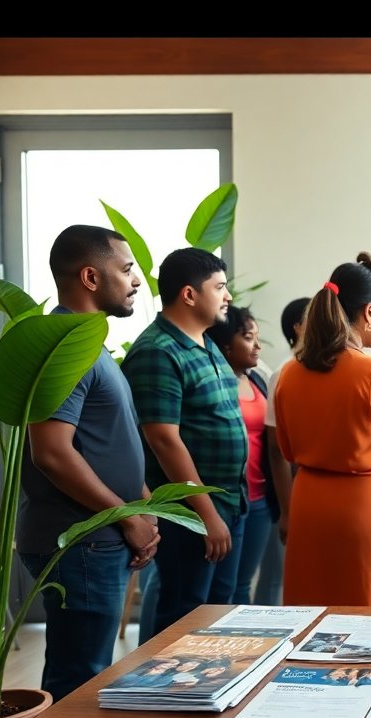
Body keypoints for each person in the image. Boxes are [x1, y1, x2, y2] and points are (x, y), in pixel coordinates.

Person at [16, 224, 159, 702]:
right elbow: (52, 452)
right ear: (91, 278)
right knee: (80, 681)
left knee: (83, 671)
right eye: (126, 269)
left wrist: (139, 510)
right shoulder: (66, 349)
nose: (136, 280)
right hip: (80, 541)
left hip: (95, 537)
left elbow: (102, 442)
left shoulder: (87, 342)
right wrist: (124, 516)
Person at [273, 252, 371, 606]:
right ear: (369, 312)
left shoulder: (289, 373)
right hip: (369, 515)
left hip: (311, 511)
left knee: (317, 621)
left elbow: (288, 449)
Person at [122, 248, 246, 643]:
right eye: (220, 287)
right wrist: (205, 514)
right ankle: (168, 702)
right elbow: (163, 439)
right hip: (190, 514)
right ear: (189, 295)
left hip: (227, 504)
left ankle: (208, 695)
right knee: (184, 618)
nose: (227, 297)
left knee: (217, 616)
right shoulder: (158, 351)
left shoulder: (206, 344)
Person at [206, 306, 280, 607]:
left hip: (259, 498)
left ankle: (240, 651)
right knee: (219, 590)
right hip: (224, 501)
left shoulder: (259, 381)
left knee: (242, 585)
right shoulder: (212, 383)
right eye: (249, 338)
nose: (257, 346)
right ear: (226, 343)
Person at [259, 296, 310, 604]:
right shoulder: (284, 373)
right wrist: (289, 511)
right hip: (292, 493)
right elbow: (277, 452)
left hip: (312, 494)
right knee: (279, 579)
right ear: (297, 328)